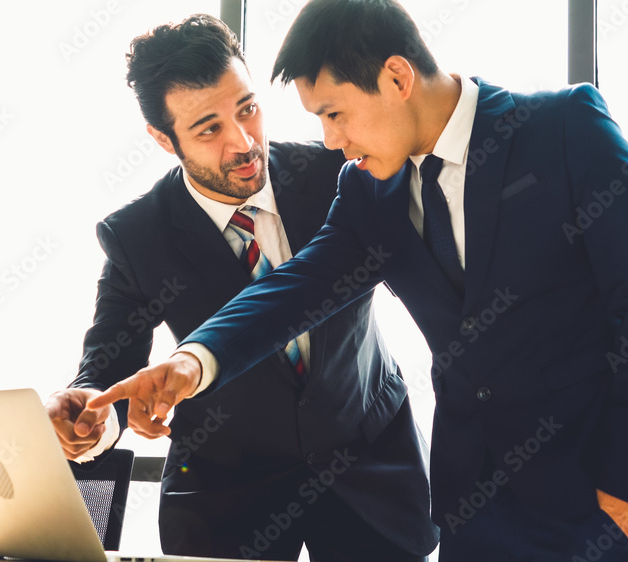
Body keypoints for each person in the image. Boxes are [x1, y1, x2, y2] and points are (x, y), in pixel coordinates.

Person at [88, 2, 628, 561]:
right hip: (472, 510)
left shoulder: (565, 130)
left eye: (334, 113)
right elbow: (296, 288)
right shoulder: (368, 190)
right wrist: (194, 362)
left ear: (398, 79)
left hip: (592, 498)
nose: (329, 139)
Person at [44, 14, 438, 562]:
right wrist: (94, 415)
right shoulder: (138, 235)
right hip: (227, 496)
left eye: (248, 109)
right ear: (163, 139)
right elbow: (108, 362)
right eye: (209, 128)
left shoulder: (341, 172)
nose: (243, 141)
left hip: (370, 465)